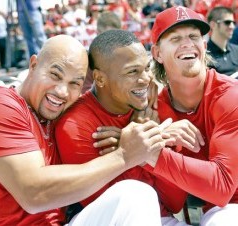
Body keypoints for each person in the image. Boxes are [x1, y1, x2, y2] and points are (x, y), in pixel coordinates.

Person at [0, 34, 168, 225]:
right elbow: (34, 194)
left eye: (74, 83)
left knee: (136, 197)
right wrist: (124, 156)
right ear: (33, 65)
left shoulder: (58, 110)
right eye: (55, 75)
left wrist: (140, 110)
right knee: (135, 195)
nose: (62, 91)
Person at [56, 29, 196, 225]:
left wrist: (144, 148)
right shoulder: (75, 125)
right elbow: (113, 209)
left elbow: (174, 202)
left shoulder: (156, 108)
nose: (146, 79)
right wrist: (134, 149)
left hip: (162, 218)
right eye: (132, 71)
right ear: (100, 79)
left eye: (146, 68)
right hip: (106, 220)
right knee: (136, 195)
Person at [150, 6, 238, 225]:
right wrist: (160, 141)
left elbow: (221, 188)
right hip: (213, 212)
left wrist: (147, 151)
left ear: (204, 45)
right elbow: (173, 202)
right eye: (175, 38)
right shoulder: (156, 108)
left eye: (194, 36)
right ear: (157, 53)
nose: (187, 43)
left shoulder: (231, 94)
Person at [81, 11, 122, 94]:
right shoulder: (89, 59)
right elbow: (86, 93)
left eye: (116, 36)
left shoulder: (125, 57)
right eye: (107, 36)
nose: (112, 40)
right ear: (98, 33)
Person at [207, 6, 238, 81]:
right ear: (213, 25)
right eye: (227, 22)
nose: (232, 26)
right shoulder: (204, 54)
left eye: (234, 23)